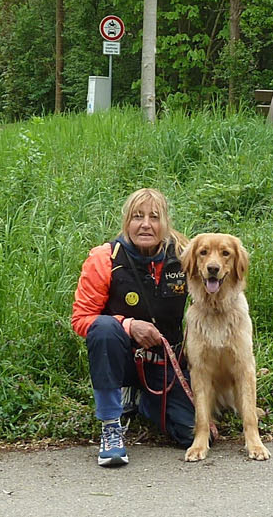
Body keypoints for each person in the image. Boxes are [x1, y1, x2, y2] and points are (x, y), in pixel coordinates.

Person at [71, 188, 196, 467]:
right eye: (138, 217)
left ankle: (142, 400)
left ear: (166, 223)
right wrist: (127, 325)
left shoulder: (184, 255)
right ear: (127, 221)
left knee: (192, 432)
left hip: (164, 362)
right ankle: (111, 425)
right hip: (122, 359)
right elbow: (81, 319)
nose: (146, 225)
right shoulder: (104, 258)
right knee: (104, 327)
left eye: (154, 217)